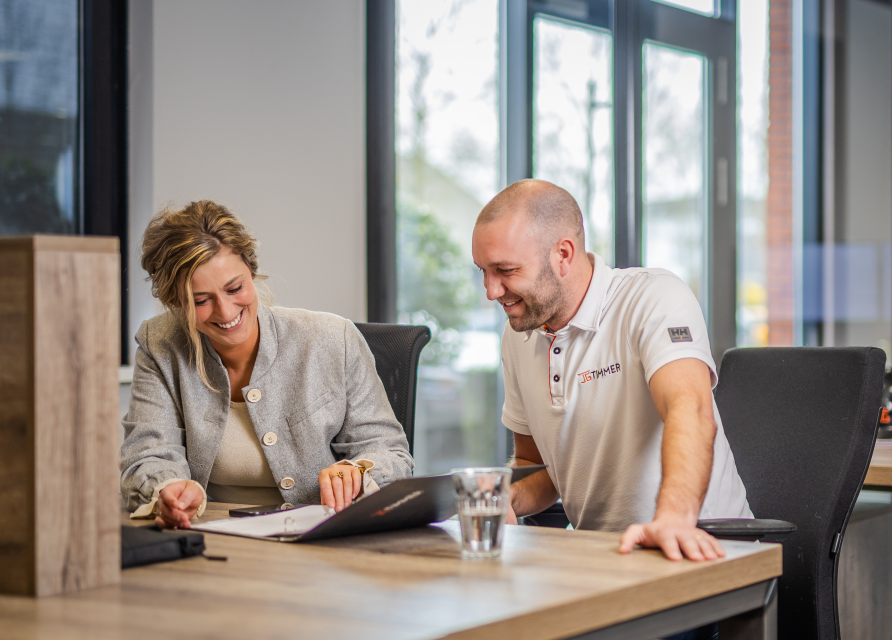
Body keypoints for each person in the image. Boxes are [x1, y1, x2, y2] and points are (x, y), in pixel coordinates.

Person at [471, 180, 752, 562]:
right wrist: (503, 497)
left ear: (563, 254)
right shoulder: (519, 333)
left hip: (699, 552)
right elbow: (537, 466)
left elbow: (691, 411)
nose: (491, 291)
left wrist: (673, 519)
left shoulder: (653, 298)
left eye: (505, 270)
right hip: (602, 557)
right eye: (483, 272)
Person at [121, 200, 412, 528]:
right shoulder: (160, 345)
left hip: (321, 540)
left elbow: (391, 453)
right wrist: (167, 490)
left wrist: (358, 472)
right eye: (201, 301)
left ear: (252, 271)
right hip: (214, 538)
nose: (226, 311)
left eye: (235, 288)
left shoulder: (332, 339)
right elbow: (146, 456)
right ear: (175, 302)